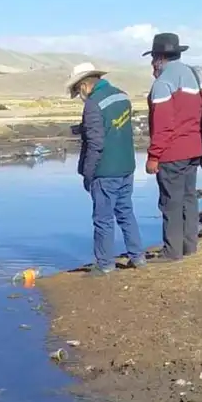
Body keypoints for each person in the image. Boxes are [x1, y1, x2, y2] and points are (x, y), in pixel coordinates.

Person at [67, 62, 146, 275]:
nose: (79, 96)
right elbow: (114, 129)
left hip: (105, 171)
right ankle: (138, 257)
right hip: (127, 166)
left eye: (77, 91)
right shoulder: (122, 96)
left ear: (84, 85)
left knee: (103, 219)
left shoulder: (93, 104)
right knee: (126, 213)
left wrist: (87, 174)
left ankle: (105, 265)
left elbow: (96, 144)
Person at [144, 33, 202, 262]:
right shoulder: (194, 75)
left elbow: (163, 126)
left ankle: (172, 252)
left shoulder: (163, 83)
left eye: (154, 57)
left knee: (170, 202)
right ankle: (189, 246)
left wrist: (153, 156)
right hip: (194, 150)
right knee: (188, 198)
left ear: (159, 58)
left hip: (171, 153)